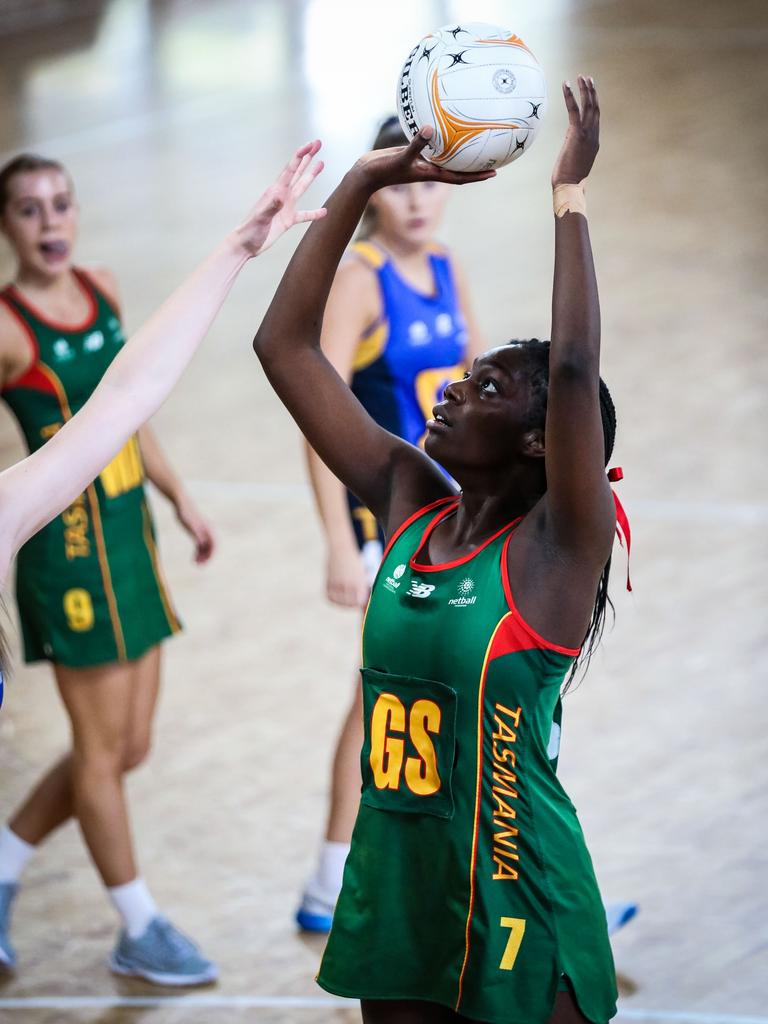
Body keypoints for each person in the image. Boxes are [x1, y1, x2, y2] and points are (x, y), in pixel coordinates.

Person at [254, 76, 617, 1024]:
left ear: (541, 441)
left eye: (488, 389)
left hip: (518, 890)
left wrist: (567, 198)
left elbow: (575, 368)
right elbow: (285, 349)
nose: (456, 385)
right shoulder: (410, 497)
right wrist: (361, 184)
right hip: (400, 885)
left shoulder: (556, 553)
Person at [0, 141, 325, 984]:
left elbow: (127, 397)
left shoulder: (6, 505)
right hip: (67, 556)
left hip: (121, 526)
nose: (49, 222)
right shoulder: (8, 328)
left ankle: (2, 859)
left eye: (59, 202)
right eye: (28, 207)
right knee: (100, 751)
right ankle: (137, 921)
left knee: (125, 745)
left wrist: (240, 246)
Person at [298, 115, 485, 932]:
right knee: (381, 695)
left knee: (439, 692)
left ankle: (457, 873)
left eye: (428, 186)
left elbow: (479, 393)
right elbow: (318, 411)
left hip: (453, 521)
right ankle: (330, 878)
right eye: (401, 185)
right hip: (389, 526)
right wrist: (341, 541)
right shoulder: (360, 279)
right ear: (377, 192)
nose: (416, 203)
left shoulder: (446, 267)